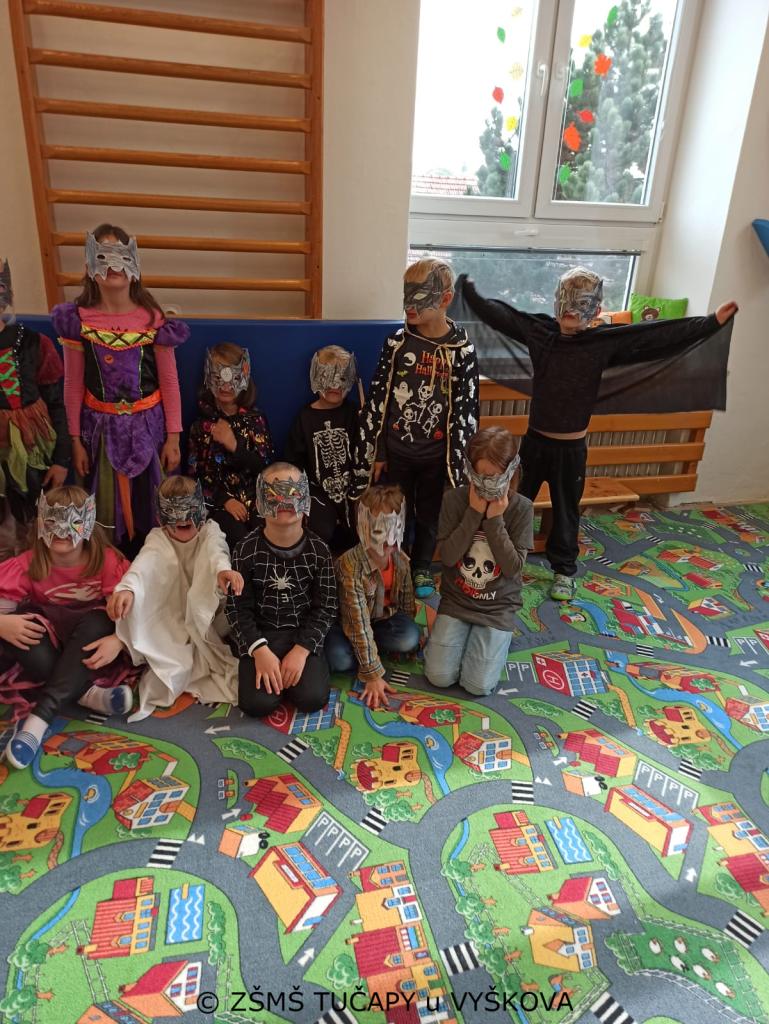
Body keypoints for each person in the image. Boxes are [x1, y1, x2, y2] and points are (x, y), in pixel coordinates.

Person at [460, 268, 738, 600]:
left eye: (581, 303)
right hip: (534, 444)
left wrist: (711, 322)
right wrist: (470, 292)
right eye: (566, 300)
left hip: (571, 450)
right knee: (515, 503)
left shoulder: (602, 343)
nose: (571, 310)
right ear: (556, 301)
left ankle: (564, 571)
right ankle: (498, 557)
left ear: (596, 308)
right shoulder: (541, 332)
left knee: (566, 512)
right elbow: (503, 316)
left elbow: (656, 336)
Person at [52, 225, 189, 554]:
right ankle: (112, 566)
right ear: (89, 266)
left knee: (153, 502)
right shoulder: (79, 320)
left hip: (149, 429)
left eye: (120, 255)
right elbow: (72, 384)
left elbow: (170, 382)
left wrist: (173, 437)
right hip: (101, 431)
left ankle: (155, 564)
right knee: (107, 505)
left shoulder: (153, 320)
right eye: (103, 256)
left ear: (134, 262)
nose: (113, 265)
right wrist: (75, 441)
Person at [351, 258, 479, 599]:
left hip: (436, 456)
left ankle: (421, 565)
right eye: (407, 295)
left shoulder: (461, 351)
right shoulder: (397, 344)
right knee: (397, 513)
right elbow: (379, 400)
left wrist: (457, 466)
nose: (409, 305)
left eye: (419, 297)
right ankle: (398, 562)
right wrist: (378, 451)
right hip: (399, 452)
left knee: (429, 515)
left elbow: (467, 410)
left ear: (445, 299)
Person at [0, 486, 132, 769]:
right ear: (41, 523)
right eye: (52, 521)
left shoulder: (107, 562)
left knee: (100, 619)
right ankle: (88, 694)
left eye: (73, 520)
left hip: (90, 644)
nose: (61, 530)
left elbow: (133, 611)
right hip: (51, 640)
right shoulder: (28, 564)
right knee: (20, 627)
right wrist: (2, 623)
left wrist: (120, 639)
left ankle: (38, 720)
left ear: (88, 522)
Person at [107, 476, 243, 721]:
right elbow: (144, 563)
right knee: (172, 667)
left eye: (189, 512)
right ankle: (130, 645)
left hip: (209, 612)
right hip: (173, 609)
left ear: (201, 511)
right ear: (161, 519)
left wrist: (223, 570)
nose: (182, 520)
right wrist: (127, 588)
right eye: (173, 515)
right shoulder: (158, 537)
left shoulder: (210, 531)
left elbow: (217, 552)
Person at [424, 427, 533, 697]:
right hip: (457, 601)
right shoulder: (454, 500)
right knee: (438, 676)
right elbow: (448, 557)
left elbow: (513, 568)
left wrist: (495, 520)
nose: (487, 484)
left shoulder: (522, 508)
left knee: (478, 685)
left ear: (510, 472)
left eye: (494, 477)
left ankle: (497, 641)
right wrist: (473, 513)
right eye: (481, 475)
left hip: (497, 607)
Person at [226, 462, 336, 718]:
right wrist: (259, 650)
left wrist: (302, 650)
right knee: (257, 704)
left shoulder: (319, 550)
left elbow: (327, 606)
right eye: (274, 494)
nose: (284, 501)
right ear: (260, 503)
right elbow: (237, 608)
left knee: (312, 698)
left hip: (301, 632)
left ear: (305, 499)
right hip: (262, 634)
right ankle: (273, 669)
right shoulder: (245, 549)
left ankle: (301, 669)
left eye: (293, 493)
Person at [0, 258, 70, 560]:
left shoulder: (33, 343)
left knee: (33, 521)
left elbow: (57, 403)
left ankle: (31, 571)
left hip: (34, 453)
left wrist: (62, 459)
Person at [327, 485, 420, 709]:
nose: (388, 540)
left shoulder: (400, 560)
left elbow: (406, 603)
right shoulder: (350, 567)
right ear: (363, 528)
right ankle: (367, 653)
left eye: (394, 528)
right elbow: (356, 623)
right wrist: (372, 674)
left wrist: (410, 627)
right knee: (339, 659)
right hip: (347, 624)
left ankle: (368, 650)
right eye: (379, 531)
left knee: (409, 637)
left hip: (381, 620)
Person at [187, 344, 274, 548]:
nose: (225, 386)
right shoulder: (200, 427)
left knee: (266, 535)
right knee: (237, 539)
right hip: (218, 503)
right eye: (218, 377)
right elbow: (195, 476)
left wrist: (235, 446)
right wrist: (224, 500)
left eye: (233, 378)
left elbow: (266, 468)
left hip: (256, 499)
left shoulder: (255, 420)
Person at [285, 345, 358, 553]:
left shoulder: (354, 413)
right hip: (318, 491)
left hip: (352, 489)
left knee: (358, 529)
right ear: (315, 377)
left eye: (341, 377)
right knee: (321, 529)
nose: (335, 385)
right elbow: (293, 462)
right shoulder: (305, 418)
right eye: (327, 377)